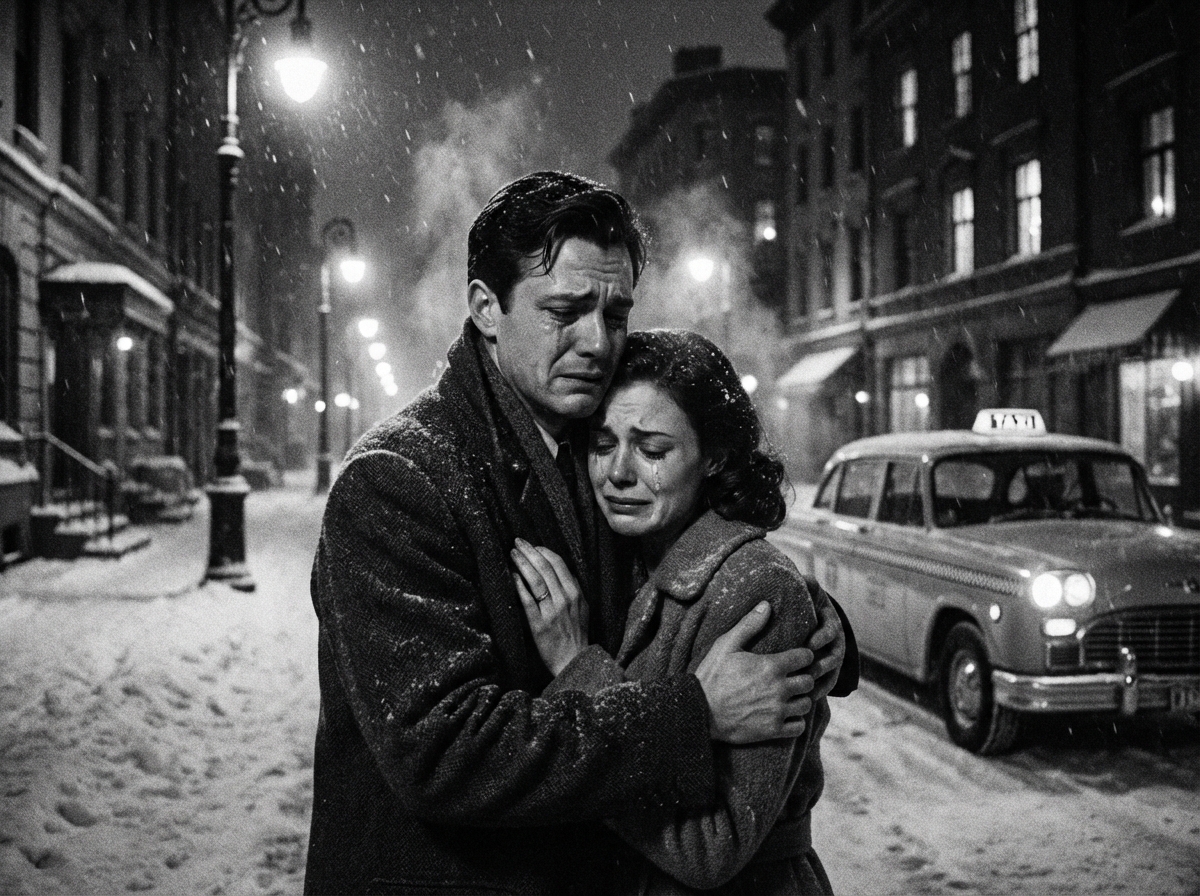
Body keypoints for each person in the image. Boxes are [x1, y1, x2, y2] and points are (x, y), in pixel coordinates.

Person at [304, 171, 855, 896]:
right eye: (565, 309)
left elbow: (693, 555)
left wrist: (813, 623)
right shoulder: (401, 478)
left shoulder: (595, 440)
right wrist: (692, 714)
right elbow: (446, 752)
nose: (598, 341)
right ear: (485, 309)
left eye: (616, 312)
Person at [513, 329, 834, 895]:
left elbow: (713, 848)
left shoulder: (758, 591)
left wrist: (575, 665)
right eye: (603, 444)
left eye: (652, 450)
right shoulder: (627, 557)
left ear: (715, 457)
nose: (618, 474)